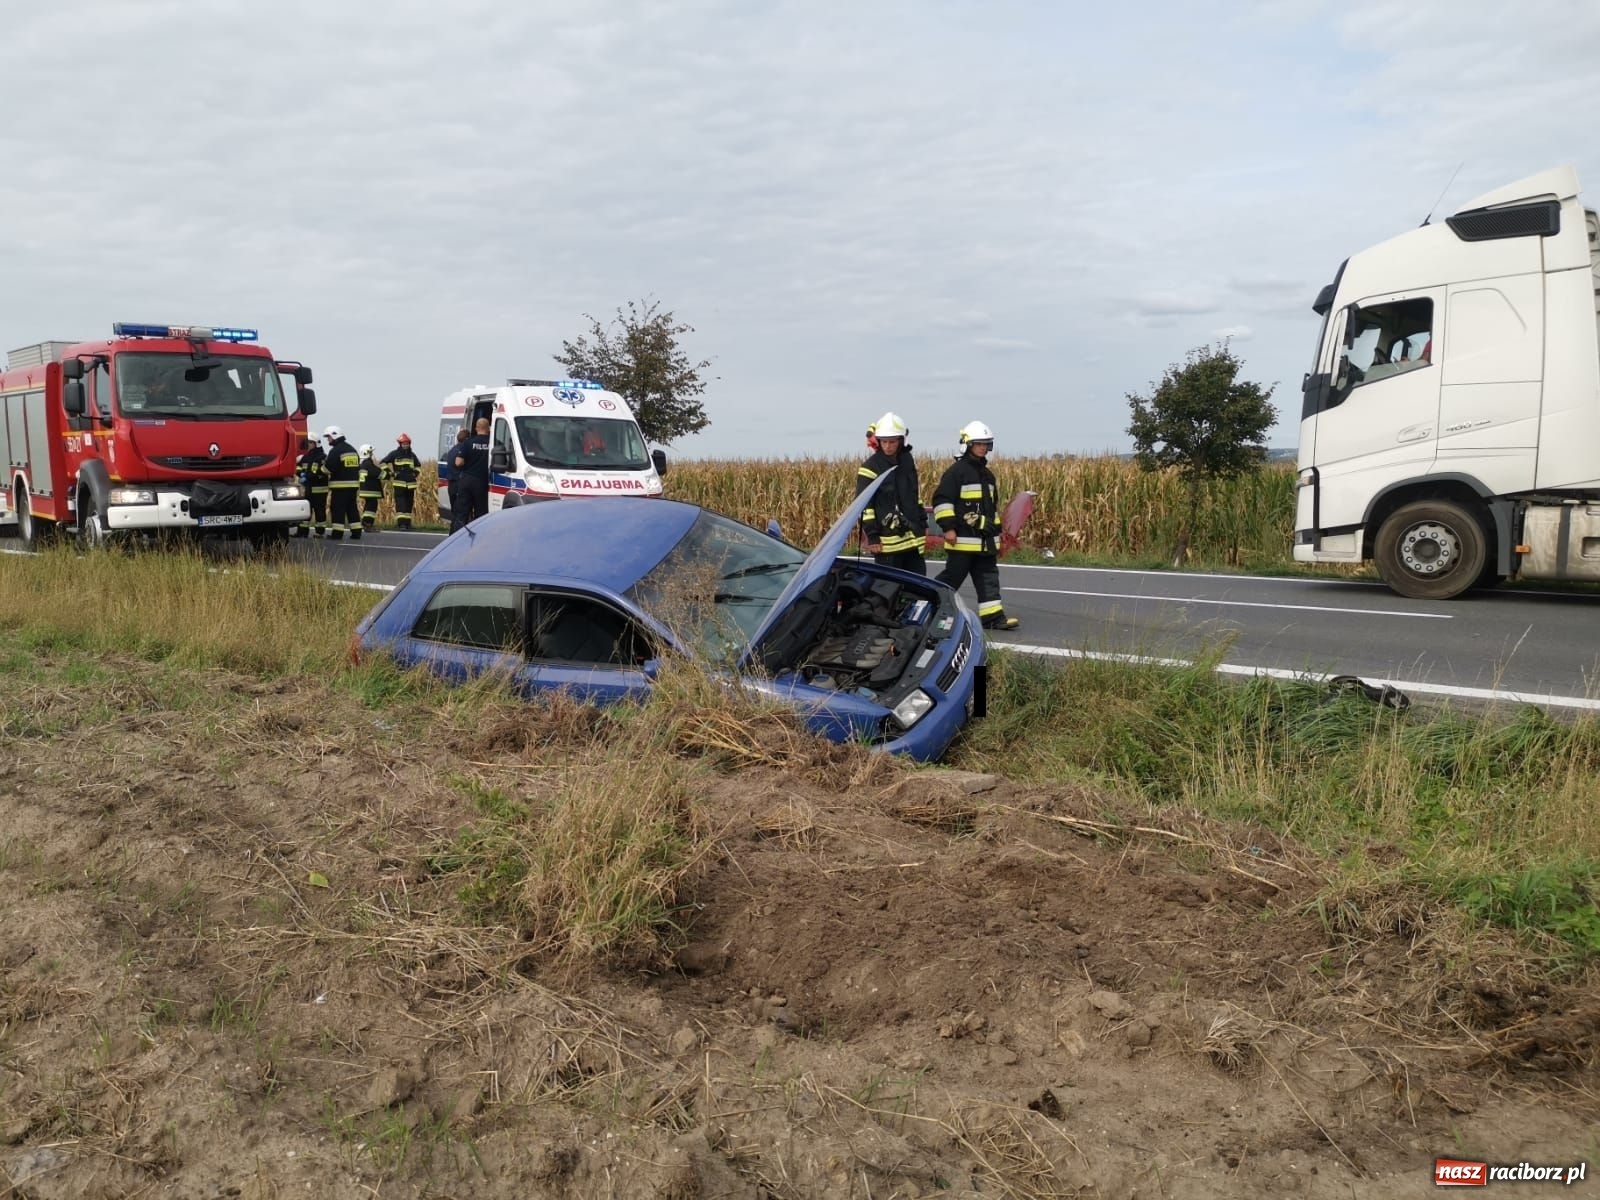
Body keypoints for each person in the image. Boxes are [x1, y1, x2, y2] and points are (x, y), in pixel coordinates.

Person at [931, 420, 1019, 631]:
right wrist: (948, 528)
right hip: (962, 541)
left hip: (985, 543)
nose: (982, 447)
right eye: (978, 443)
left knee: (988, 580)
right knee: (952, 578)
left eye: (985, 444)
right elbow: (942, 501)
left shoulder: (987, 475)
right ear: (968, 444)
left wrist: (997, 537)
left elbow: (992, 510)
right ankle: (928, 607)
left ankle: (993, 618)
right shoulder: (956, 472)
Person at [854, 411, 927, 575]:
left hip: (912, 540)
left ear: (901, 440)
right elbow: (864, 506)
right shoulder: (870, 467)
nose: (888, 446)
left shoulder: (907, 461)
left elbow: (914, 495)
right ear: (878, 441)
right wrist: (872, 536)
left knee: (918, 585)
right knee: (888, 587)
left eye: (892, 441)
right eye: (884, 441)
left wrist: (923, 522)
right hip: (886, 544)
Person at [323, 424, 363, 541]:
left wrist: (319, 470)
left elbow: (328, 469)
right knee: (352, 509)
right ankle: (356, 532)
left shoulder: (335, 451)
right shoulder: (352, 449)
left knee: (337, 509)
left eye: (329, 437)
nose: (328, 440)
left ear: (334, 436)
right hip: (353, 486)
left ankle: (337, 534)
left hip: (340, 487)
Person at [452, 417, 491, 528]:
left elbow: (458, 462)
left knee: (462, 513)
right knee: (481, 513)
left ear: (476, 428)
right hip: (482, 482)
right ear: (488, 428)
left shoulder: (468, 442)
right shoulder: (493, 442)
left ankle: (459, 535)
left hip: (467, 481)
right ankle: (480, 534)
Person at [379, 433, 421, 530]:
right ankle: (401, 524)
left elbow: (418, 466)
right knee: (401, 503)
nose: (405, 445)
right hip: (399, 484)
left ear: (409, 444)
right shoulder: (394, 454)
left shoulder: (412, 455)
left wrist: (415, 474)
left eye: (407, 443)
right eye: (404, 443)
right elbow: (383, 463)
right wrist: (390, 473)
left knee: (409, 504)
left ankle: (407, 524)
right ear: (400, 444)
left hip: (410, 484)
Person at [293, 433, 328, 537]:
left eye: (310, 442)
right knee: (305, 510)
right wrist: (300, 473)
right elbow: (298, 467)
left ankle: (319, 532)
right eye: (307, 442)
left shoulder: (322, 457)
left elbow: (319, 471)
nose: (308, 445)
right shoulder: (306, 456)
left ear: (315, 443)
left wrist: (307, 476)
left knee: (319, 511)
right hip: (307, 488)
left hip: (319, 489)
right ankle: (302, 532)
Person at [444, 427, 470, 531]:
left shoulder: (451, 450)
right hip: (459, 484)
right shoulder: (463, 452)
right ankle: (457, 534)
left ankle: (452, 533)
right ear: (467, 439)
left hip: (451, 485)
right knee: (460, 513)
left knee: (454, 512)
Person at [357, 444, 384, 531]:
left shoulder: (362, 464)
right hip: (371, 490)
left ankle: (365, 523)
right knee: (371, 507)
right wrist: (388, 474)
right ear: (366, 453)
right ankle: (367, 524)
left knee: (368, 506)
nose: (372, 454)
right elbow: (378, 473)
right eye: (371, 452)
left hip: (365, 489)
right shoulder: (368, 464)